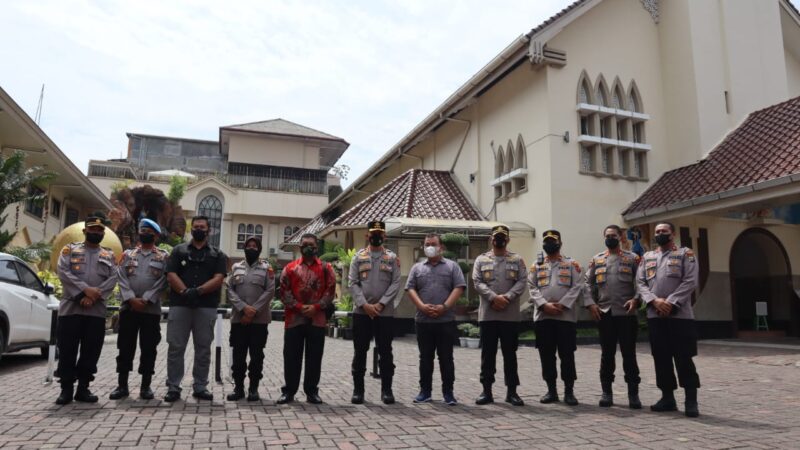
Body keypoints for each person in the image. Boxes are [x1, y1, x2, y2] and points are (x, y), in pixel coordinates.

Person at [637, 222, 700, 417]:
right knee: (661, 358)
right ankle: (667, 398)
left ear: (672, 234)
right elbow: (640, 282)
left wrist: (671, 302)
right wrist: (654, 301)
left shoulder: (685, 254)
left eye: (664, 231)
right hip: (655, 316)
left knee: (684, 358)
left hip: (680, 316)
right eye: (657, 232)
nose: (660, 234)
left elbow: (690, 281)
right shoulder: (648, 257)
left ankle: (691, 400)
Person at [163, 216, 228, 402]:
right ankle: (173, 386)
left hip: (205, 307)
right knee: (176, 347)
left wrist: (198, 291)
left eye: (203, 227)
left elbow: (218, 279)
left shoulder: (218, 254)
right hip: (180, 304)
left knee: (203, 348)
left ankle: (200, 386)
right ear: (191, 229)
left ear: (209, 230)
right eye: (196, 226)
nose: (199, 229)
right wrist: (184, 291)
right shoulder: (178, 251)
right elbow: (171, 274)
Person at [55, 216, 118, 405]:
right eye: (92, 229)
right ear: (85, 231)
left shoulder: (109, 255)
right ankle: (66, 389)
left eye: (99, 230)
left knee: (91, 352)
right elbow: (63, 272)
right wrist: (84, 291)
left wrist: (93, 296)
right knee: (67, 350)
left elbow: (114, 277)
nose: (96, 232)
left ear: (103, 233)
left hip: (95, 311)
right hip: (71, 310)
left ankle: (83, 388)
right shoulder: (69, 250)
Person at [584, 225, 642, 409]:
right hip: (605, 313)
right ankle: (606, 392)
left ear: (621, 237)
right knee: (607, 355)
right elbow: (587, 283)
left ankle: (633, 394)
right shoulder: (597, 260)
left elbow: (641, 282)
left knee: (629, 355)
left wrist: (636, 299)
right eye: (607, 236)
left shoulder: (632, 258)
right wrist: (591, 303)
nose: (610, 238)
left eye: (614, 235)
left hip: (626, 313)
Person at [110, 218, 169, 400]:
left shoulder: (164, 257)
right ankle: (122, 386)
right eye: (143, 230)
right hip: (129, 309)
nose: (145, 233)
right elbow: (120, 276)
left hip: (150, 311)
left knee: (149, 348)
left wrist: (146, 298)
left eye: (149, 231)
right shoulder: (128, 255)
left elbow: (164, 280)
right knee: (125, 347)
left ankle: (146, 386)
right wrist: (130, 298)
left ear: (156, 235)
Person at [405, 233, 466, 405]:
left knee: (446, 358)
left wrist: (444, 306)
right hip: (423, 321)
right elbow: (410, 289)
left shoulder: (452, 267)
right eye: (427, 244)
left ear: (441, 247)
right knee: (425, 358)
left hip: (445, 320)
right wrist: (422, 306)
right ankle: (425, 392)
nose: (429, 247)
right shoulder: (417, 268)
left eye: (433, 244)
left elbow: (459, 287)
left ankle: (448, 393)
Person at [277, 233, 336, 405]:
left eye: (311, 244)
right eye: (305, 244)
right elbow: (283, 291)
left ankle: (312, 392)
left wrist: (316, 307)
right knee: (291, 357)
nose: (308, 247)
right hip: (294, 319)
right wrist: (299, 307)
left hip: (317, 319)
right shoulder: (290, 268)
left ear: (316, 247)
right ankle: (289, 391)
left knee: (314, 357)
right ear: (300, 246)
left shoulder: (326, 268)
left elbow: (330, 291)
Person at [527, 229, 584, 406]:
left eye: (552, 241)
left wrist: (563, 304)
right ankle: (551, 391)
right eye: (546, 241)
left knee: (567, 355)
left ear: (560, 243)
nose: (549, 244)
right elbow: (531, 286)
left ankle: (569, 391)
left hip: (565, 317)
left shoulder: (571, 264)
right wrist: (544, 304)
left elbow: (578, 286)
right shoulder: (536, 265)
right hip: (544, 317)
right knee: (547, 355)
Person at [472, 225, 527, 406]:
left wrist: (507, 297)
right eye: (497, 237)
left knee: (510, 355)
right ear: (491, 239)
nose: (500, 240)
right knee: (488, 355)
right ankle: (486, 391)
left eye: (503, 237)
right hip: (488, 315)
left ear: (508, 239)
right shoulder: (481, 259)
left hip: (509, 316)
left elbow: (522, 281)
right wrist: (494, 297)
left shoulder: (517, 259)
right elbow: (477, 281)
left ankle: (512, 392)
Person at [348, 220, 402, 405]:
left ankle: (387, 390)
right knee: (360, 351)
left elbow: (396, 283)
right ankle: (358, 391)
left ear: (384, 236)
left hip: (384, 313)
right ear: (367, 235)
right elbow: (352, 283)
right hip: (362, 313)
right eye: (373, 233)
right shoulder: (358, 257)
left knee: (386, 352)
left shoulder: (392, 258)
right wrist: (365, 305)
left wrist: (381, 304)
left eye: (379, 233)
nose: (376, 236)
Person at [225, 237, 275, 401]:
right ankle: (238, 388)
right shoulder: (235, 267)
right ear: (244, 248)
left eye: (255, 246)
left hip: (259, 321)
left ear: (259, 249)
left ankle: (254, 389)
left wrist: (253, 311)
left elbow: (270, 291)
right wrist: (243, 308)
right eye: (249, 246)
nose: (251, 248)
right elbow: (229, 290)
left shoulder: (267, 268)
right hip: (239, 320)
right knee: (238, 356)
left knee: (256, 356)